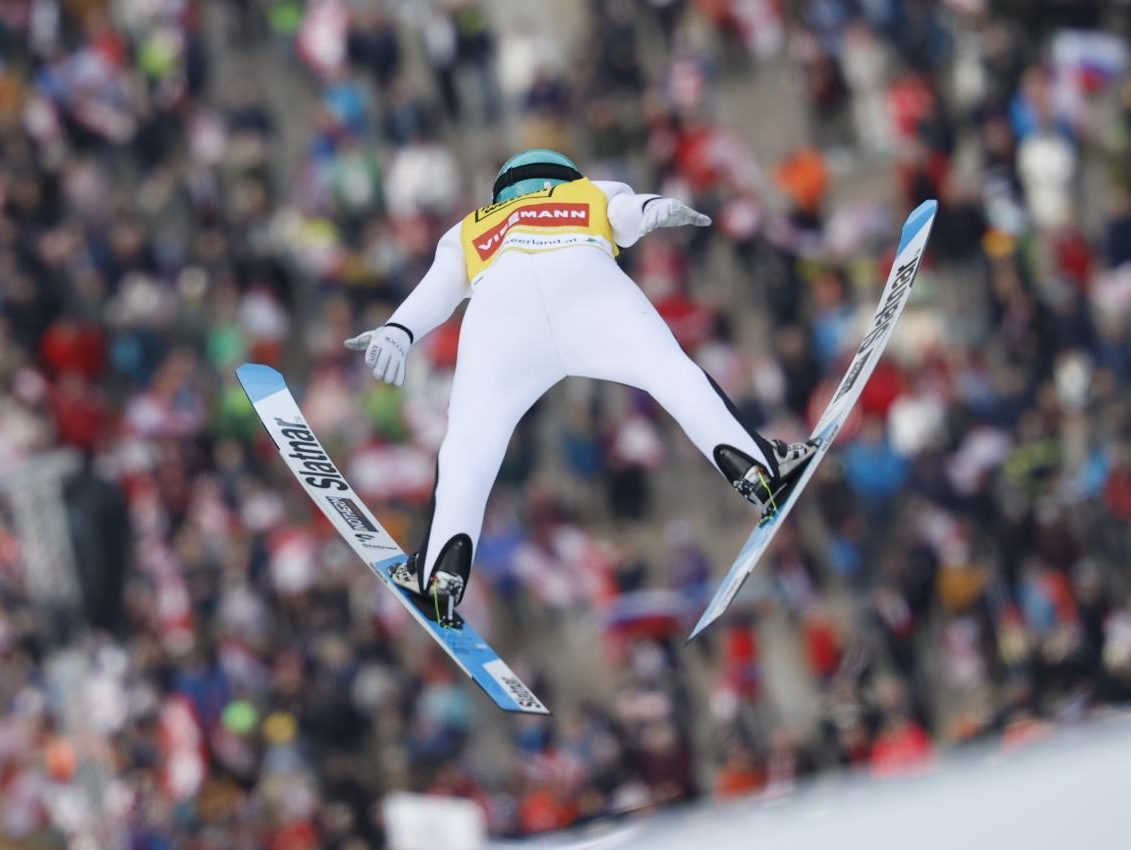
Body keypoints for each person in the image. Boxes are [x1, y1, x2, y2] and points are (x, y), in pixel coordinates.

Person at [346, 149, 816, 622]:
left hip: (502, 312)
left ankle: (438, 575)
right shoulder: (588, 191)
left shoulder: (470, 226)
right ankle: (758, 470)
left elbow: (442, 286)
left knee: (469, 444)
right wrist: (655, 208)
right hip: (586, 285)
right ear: (565, 174)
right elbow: (626, 215)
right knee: (671, 373)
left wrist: (398, 330)